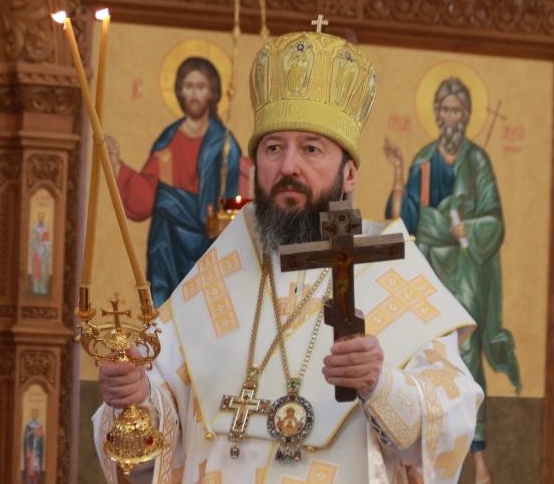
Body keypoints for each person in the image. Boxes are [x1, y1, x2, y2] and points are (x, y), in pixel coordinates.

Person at [94, 29, 482, 483]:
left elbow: (451, 421)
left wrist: (380, 384)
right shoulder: (223, 266)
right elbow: (159, 433)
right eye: (274, 148)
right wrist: (137, 399)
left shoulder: (390, 268)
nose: (288, 166)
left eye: (311, 149)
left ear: (349, 173)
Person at [384, 77, 520, 484]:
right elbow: (403, 221)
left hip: (464, 268)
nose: (450, 117)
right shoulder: (423, 160)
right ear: (437, 114)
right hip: (428, 266)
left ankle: (476, 459)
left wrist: (468, 230)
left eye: (457, 110)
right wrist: (398, 173)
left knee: (466, 356)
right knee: (421, 353)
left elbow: (495, 220)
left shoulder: (478, 162)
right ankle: (420, 463)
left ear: (466, 115)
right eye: (444, 109)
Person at [106, 57, 246, 306]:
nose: (194, 94)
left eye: (201, 87)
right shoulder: (169, 140)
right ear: (180, 91)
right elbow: (147, 195)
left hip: (207, 246)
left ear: (212, 92)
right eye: (189, 86)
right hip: (167, 245)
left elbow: (234, 199)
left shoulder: (224, 145)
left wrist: (221, 219)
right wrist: (117, 166)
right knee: (164, 312)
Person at [29, 211, 52, 295]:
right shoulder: (34, 227)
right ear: (38, 217)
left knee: (43, 270)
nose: (41, 218)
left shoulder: (46, 228)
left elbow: (47, 240)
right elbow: (32, 240)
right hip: (36, 252)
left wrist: (46, 249)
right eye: (40, 217)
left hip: (43, 253)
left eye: (42, 217)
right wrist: (35, 246)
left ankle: (42, 287)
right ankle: (36, 287)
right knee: (36, 270)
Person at [22, 409, 45, 484]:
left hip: (37, 452)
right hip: (30, 451)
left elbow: (41, 438)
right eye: (33, 414)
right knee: (30, 470)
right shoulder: (28, 425)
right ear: (32, 415)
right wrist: (32, 432)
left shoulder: (39, 425)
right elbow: (25, 437)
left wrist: (40, 435)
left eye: (36, 414)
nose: (35, 415)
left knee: (36, 470)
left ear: (37, 415)